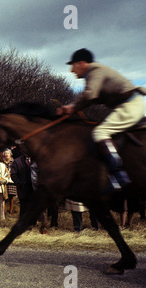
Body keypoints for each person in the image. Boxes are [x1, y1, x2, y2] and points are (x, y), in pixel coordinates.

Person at [59, 48, 146, 191]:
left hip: (130, 105)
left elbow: (90, 94)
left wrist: (72, 107)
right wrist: (73, 107)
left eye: (73, 65)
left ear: (82, 63)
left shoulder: (95, 71)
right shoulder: (95, 72)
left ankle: (118, 175)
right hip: (128, 104)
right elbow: (91, 98)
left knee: (100, 133)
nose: (71, 70)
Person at [10, 153, 33, 219]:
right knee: (23, 207)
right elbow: (13, 175)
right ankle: (23, 223)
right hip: (23, 188)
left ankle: (32, 223)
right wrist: (20, 184)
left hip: (33, 188)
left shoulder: (34, 159)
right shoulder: (17, 161)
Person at [2, 148, 17, 214]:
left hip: (11, 180)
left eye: (8, 153)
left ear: (10, 154)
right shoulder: (2, 162)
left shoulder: (13, 161)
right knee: (4, 195)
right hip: (4, 179)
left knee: (11, 195)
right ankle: (4, 210)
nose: (7, 155)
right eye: (5, 153)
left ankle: (11, 209)